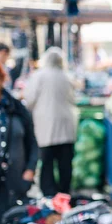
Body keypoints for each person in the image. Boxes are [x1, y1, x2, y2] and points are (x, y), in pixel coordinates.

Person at [0, 60, 38, 224]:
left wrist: (29, 171)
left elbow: (32, 142)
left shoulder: (17, 108)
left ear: (1, 78)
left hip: (16, 183)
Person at [24, 48, 76, 197]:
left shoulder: (38, 76)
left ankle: (49, 194)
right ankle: (65, 194)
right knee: (65, 164)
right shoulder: (66, 76)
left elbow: (29, 100)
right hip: (66, 126)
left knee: (46, 163)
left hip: (45, 127)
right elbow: (73, 99)